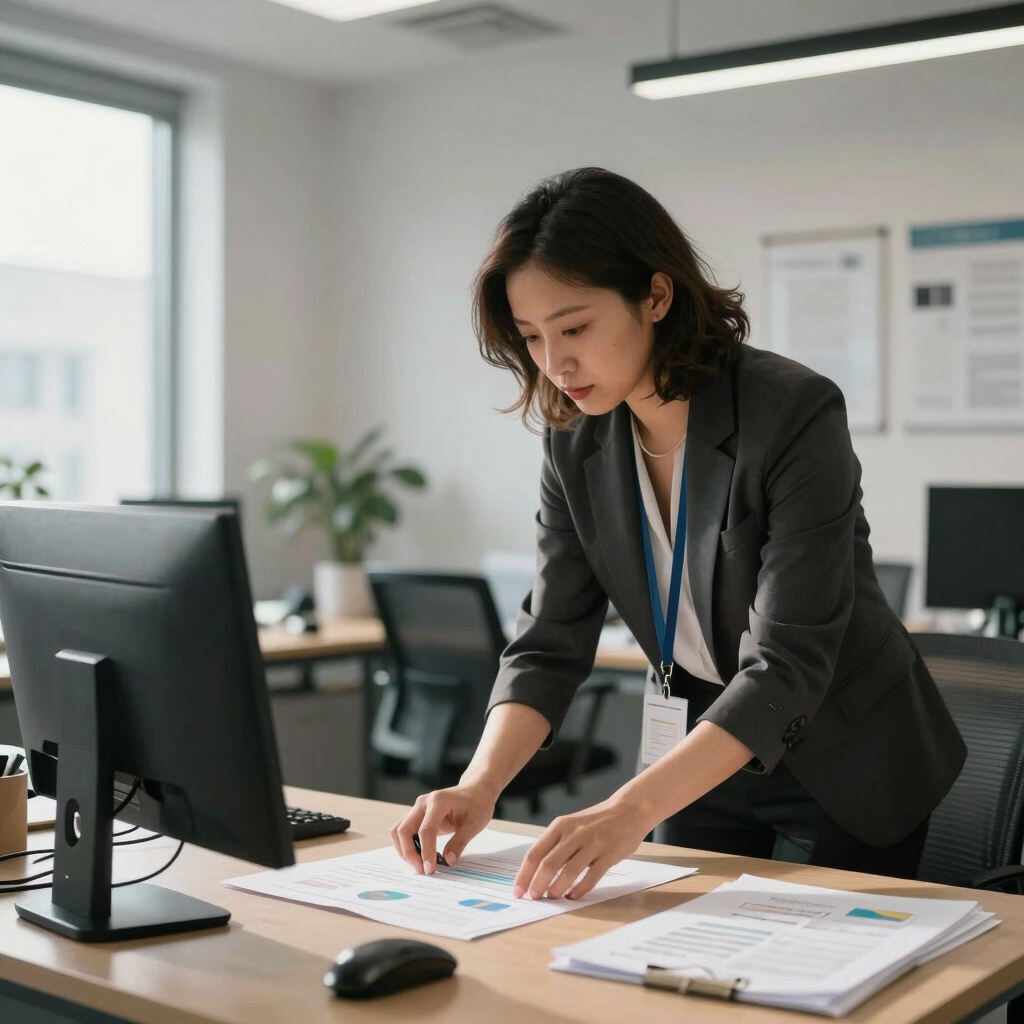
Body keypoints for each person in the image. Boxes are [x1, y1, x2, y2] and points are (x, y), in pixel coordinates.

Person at [391, 167, 965, 899]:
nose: (554, 363)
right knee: (661, 961)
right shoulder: (576, 441)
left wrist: (626, 809)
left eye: (574, 327)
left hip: (842, 752)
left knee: (805, 995)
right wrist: (479, 786)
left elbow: (788, 662)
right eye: (532, 337)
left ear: (656, 296)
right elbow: (550, 638)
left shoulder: (791, 413)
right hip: (700, 745)